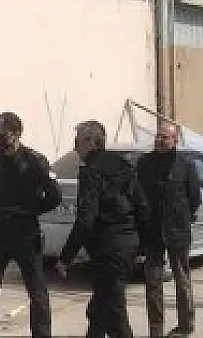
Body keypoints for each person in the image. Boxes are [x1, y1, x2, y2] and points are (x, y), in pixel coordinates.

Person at [0, 112, 62, 338]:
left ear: (17, 134)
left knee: (37, 290)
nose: (0, 138)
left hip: (25, 232)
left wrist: (31, 209)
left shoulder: (34, 160)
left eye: (5, 134)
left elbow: (55, 196)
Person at [57, 120, 150, 338]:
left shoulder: (91, 171)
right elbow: (143, 206)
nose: (75, 147)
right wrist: (142, 246)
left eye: (77, 141)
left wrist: (66, 257)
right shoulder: (124, 166)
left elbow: (85, 219)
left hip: (109, 248)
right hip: (125, 246)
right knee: (99, 310)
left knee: (115, 313)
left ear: (90, 142)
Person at [136, 121, 202, 338]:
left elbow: (195, 198)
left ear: (175, 140)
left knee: (182, 280)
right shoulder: (144, 163)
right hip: (152, 232)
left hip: (177, 231)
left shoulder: (185, 164)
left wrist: (182, 216)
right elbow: (136, 194)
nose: (159, 140)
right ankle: (156, 330)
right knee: (153, 283)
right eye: (158, 136)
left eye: (165, 137)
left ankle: (185, 324)